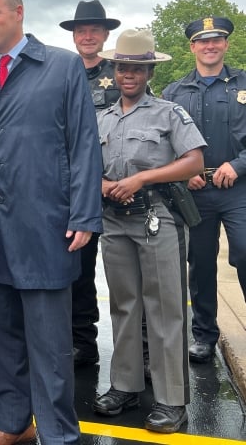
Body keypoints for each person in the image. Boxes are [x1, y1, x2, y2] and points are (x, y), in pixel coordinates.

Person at [0, 0, 103, 445]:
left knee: (50, 345)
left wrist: (84, 214)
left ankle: (57, 432)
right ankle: (11, 424)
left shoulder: (62, 67)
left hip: (45, 225)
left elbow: (83, 144)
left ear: (19, 13)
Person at [92, 29, 206, 434]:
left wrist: (143, 179)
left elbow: (193, 162)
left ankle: (172, 399)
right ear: (114, 68)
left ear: (148, 71)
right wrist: (102, 185)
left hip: (157, 217)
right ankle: (124, 385)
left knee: (164, 309)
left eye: (136, 68)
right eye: (122, 66)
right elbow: (86, 164)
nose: (128, 74)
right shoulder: (101, 118)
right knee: (124, 306)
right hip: (115, 220)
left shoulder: (169, 113)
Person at [162, 16, 246, 364]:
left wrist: (237, 166)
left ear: (226, 44)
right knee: (199, 263)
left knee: (244, 252)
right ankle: (204, 335)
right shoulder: (174, 93)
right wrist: (183, 175)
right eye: (202, 41)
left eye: (217, 40)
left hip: (238, 187)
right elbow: (164, 143)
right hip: (195, 192)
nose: (210, 46)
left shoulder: (244, 84)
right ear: (192, 47)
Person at [59, 0, 120, 367]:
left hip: (112, 186)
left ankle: (136, 353)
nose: (87, 35)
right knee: (76, 268)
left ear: (105, 34)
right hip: (69, 187)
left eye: (94, 30)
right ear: (73, 35)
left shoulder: (120, 72)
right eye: (81, 30)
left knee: (120, 273)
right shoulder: (60, 71)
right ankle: (80, 341)